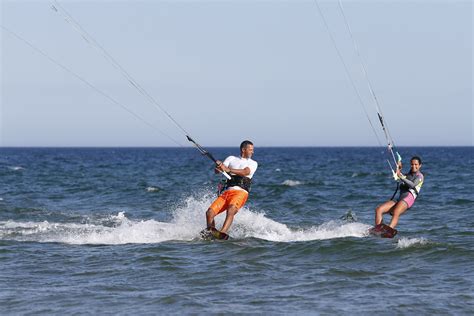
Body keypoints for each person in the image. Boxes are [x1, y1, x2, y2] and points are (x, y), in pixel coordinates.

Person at [205, 140, 258, 234]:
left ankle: (222, 232)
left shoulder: (253, 163)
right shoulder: (231, 158)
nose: (252, 152)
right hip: (227, 192)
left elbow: (246, 172)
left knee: (231, 209)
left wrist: (228, 169)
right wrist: (219, 166)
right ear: (243, 149)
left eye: (252, 150)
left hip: (241, 192)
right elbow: (217, 171)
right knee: (209, 213)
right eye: (250, 149)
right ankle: (211, 232)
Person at [375, 156, 424, 229]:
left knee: (396, 212)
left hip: (408, 199)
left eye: (416, 164)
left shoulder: (420, 176)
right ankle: (378, 229)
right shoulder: (407, 175)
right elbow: (398, 176)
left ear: (420, 165)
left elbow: (412, 185)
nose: (414, 166)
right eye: (412, 164)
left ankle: (389, 229)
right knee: (379, 209)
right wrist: (398, 168)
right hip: (399, 199)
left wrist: (400, 176)